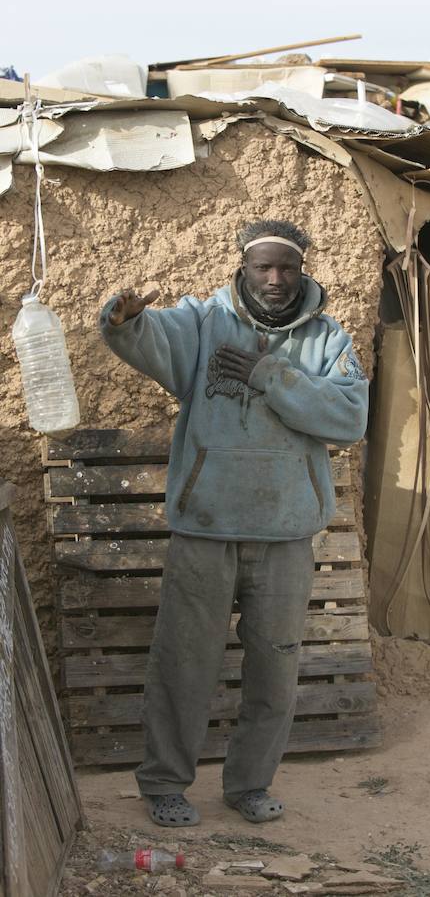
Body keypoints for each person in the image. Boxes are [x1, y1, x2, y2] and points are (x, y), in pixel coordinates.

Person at [100, 219, 368, 828]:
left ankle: (249, 784)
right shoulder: (202, 323)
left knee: (273, 664)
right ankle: (165, 784)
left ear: (303, 270)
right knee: (184, 662)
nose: (275, 280)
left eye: (287, 268)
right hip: (207, 527)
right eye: (262, 268)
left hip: (286, 532)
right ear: (242, 269)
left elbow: (349, 416)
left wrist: (268, 375)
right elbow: (147, 334)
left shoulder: (328, 340)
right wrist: (123, 318)